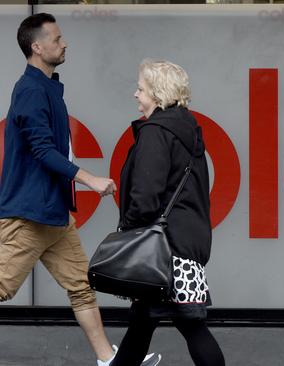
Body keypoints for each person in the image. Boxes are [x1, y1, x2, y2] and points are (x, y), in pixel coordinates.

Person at [0, 13, 160, 366]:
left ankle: (107, 359)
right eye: (57, 39)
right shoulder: (30, 91)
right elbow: (42, 151)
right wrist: (91, 180)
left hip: (53, 216)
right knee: (2, 287)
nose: (64, 43)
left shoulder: (46, 87)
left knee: (81, 286)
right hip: (29, 214)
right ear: (36, 47)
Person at [111, 59, 225, 366]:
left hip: (162, 250)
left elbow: (146, 195)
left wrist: (130, 228)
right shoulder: (187, 129)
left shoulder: (156, 132)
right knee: (143, 325)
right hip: (181, 244)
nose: (136, 95)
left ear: (157, 94)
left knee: (189, 324)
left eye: (141, 89)